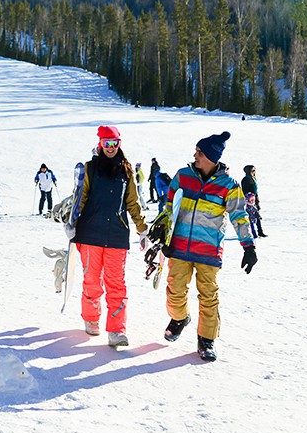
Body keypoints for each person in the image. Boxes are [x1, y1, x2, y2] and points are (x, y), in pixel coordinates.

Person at [162, 132, 255, 362]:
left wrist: (248, 246)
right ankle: (180, 318)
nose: (195, 155)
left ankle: (206, 340)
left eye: (199, 152)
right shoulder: (183, 176)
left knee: (208, 296)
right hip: (179, 246)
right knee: (175, 291)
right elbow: (169, 208)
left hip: (208, 250)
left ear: (212, 158)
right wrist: (164, 237)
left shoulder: (228, 186)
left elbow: (239, 215)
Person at [72, 125, 148, 348]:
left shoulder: (127, 171)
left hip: (116, 234)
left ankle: (116, 330)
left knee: (116, 284)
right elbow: (80, 198)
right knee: (92, 280)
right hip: (90, 233)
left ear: (119, 144)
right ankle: (91, 317)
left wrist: (142, 228)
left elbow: (133, 203)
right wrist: (72, 223)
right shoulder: (90, 168)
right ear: (100, 144)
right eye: (107, 143)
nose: (111, 147)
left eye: (115, 143)